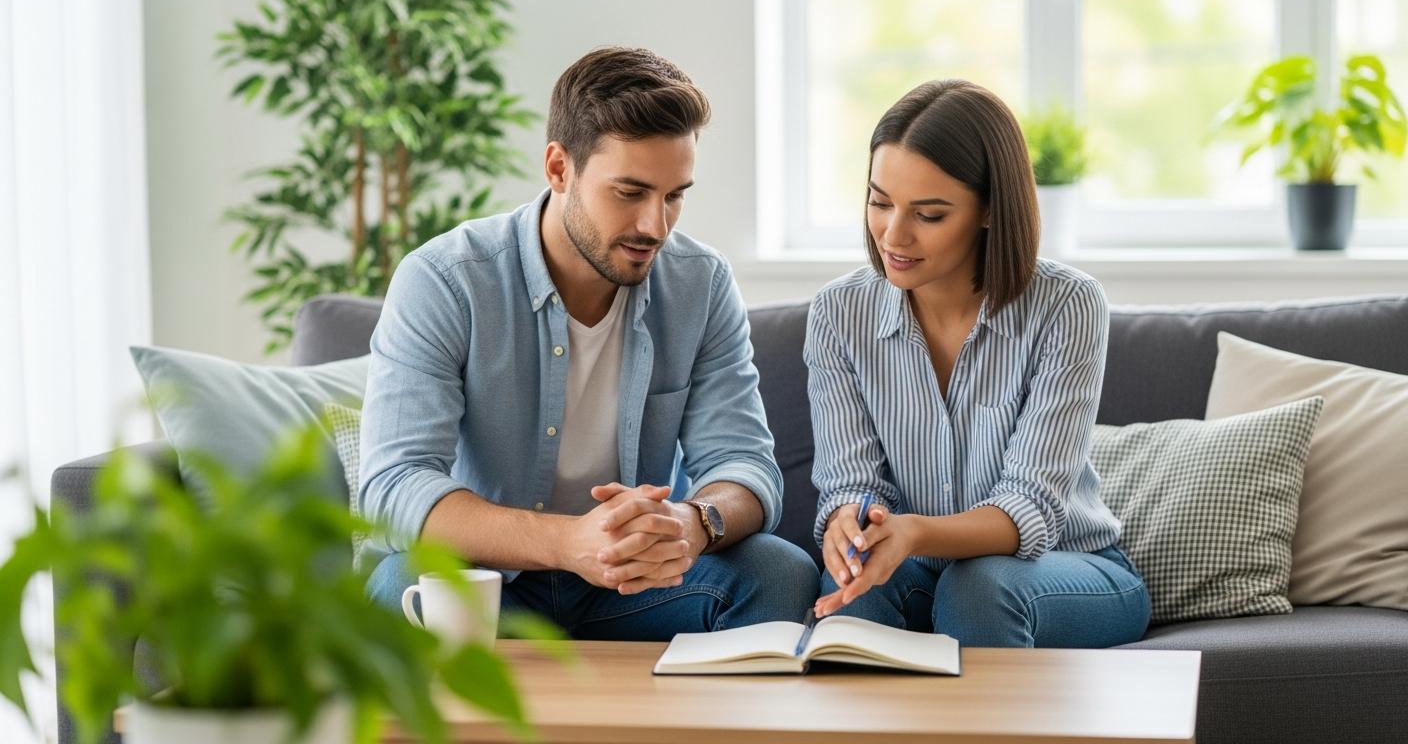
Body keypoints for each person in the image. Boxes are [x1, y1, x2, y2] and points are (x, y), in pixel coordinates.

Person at [360, 46, 817, 638]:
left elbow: (744, 464)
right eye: (629, 192)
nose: (656, 225)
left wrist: (691, 522)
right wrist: (568, 541)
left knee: (777, 572)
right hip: (488, 581)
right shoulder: (446, 280)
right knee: (403, 584)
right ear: (558, 169)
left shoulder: (700, 283)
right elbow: (394, 485)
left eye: (675, 194)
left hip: (634, 585)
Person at [806, 79, 1150, 647]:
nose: (894, 234)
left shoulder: (1068, 305)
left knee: (979, 585)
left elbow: (1031, 503)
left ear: (990, 209)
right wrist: (853, 521)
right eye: (879, 201)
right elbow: (853, 480)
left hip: (1071, 569)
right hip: (921, 567)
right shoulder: (839, 313)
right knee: (853, 585)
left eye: (930, 214)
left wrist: (914, 533)